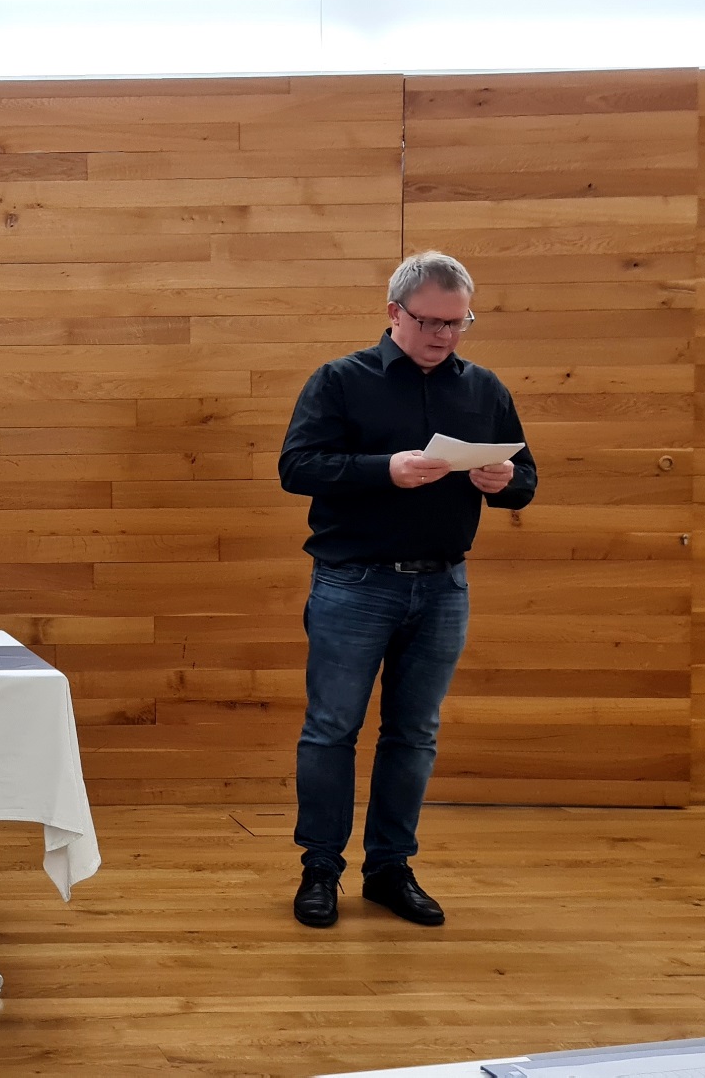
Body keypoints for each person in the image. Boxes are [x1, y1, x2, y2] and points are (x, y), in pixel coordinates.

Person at [278, 251, 537, 929]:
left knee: (414, 733)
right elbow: (296, 467)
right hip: (353, 583)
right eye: (431, 322)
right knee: (332, 729)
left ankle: (389, 868)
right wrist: (382, 470)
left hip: (444, 586)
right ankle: (320, 868)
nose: (445, 335)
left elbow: (526, 478)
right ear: (394, 312)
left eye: (459, 323)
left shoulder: (483, 389)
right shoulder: (340, 380)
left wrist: (505, 482)